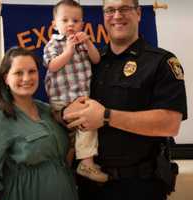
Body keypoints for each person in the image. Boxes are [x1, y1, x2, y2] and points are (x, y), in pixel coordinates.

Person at [63, 0, 188, 200]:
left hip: (139, 185)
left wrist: (105, 117)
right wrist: (66, 112)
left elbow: (169, 124)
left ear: (138, 13)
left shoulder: (161, 62)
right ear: (104, 16)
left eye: (124, 9)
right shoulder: (92, 61)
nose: (117, 15)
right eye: (110, 10)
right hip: (90, 184)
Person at [0, 47, 79, 200]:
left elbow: (63, 158)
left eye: (32, 71)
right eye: (19, 73)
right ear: (6, 78)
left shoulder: (48, 111)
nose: (27, 78)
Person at [43, 0, 108, 182]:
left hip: (80, 98)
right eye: (65, 20)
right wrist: (68, 51)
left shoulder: (82, 42)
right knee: (78, 129)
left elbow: (96, 60)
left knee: (84, 128)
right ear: (55, 24)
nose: (71, 24)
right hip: (62, 99)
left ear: (82, 23)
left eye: (76, 20)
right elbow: (53, 65)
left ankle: (80, 165)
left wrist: (88, 43)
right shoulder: (53, 44)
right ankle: (85, 163)